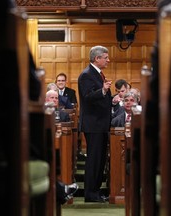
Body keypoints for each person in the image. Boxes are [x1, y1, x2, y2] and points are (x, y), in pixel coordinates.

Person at [29, 52, 78, 205]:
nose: (54, 100)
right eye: (51, 97)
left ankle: (59, 188)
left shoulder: (63, 114)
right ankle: (60, 189)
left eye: (56, 98)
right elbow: (33, 87)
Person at [78, 45, 112, 203]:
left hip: (100, 124)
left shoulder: (96, 74)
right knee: (94, 159)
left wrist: (113, 100)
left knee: (100, 160)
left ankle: (96, 192)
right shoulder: (86, 75)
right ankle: (90, 194)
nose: (108, 60)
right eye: (105, 57)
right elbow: (87, 96)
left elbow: (99, 99)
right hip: (94, 124)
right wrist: (103, 91)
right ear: (97, 58)